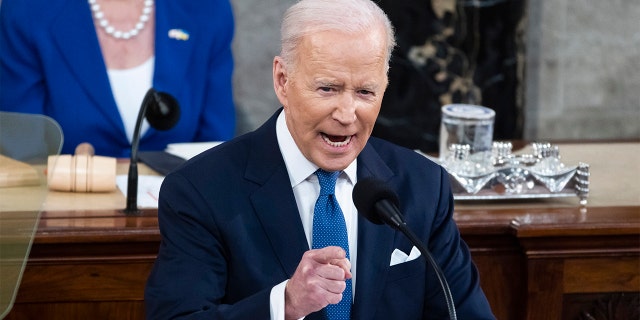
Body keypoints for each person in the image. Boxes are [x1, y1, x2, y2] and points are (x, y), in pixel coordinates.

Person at [145, 0, 495, 319]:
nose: (346, 114)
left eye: (364, 92)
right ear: (283, 80)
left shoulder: (423, 187)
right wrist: (286, 303)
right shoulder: (200, 190)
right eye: (328, 88)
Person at [0, 0, 236, 158]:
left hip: (180, 215)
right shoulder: (27, 10)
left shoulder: (208, 9)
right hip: (64, 218)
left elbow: (216, 145)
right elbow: (23, 152)